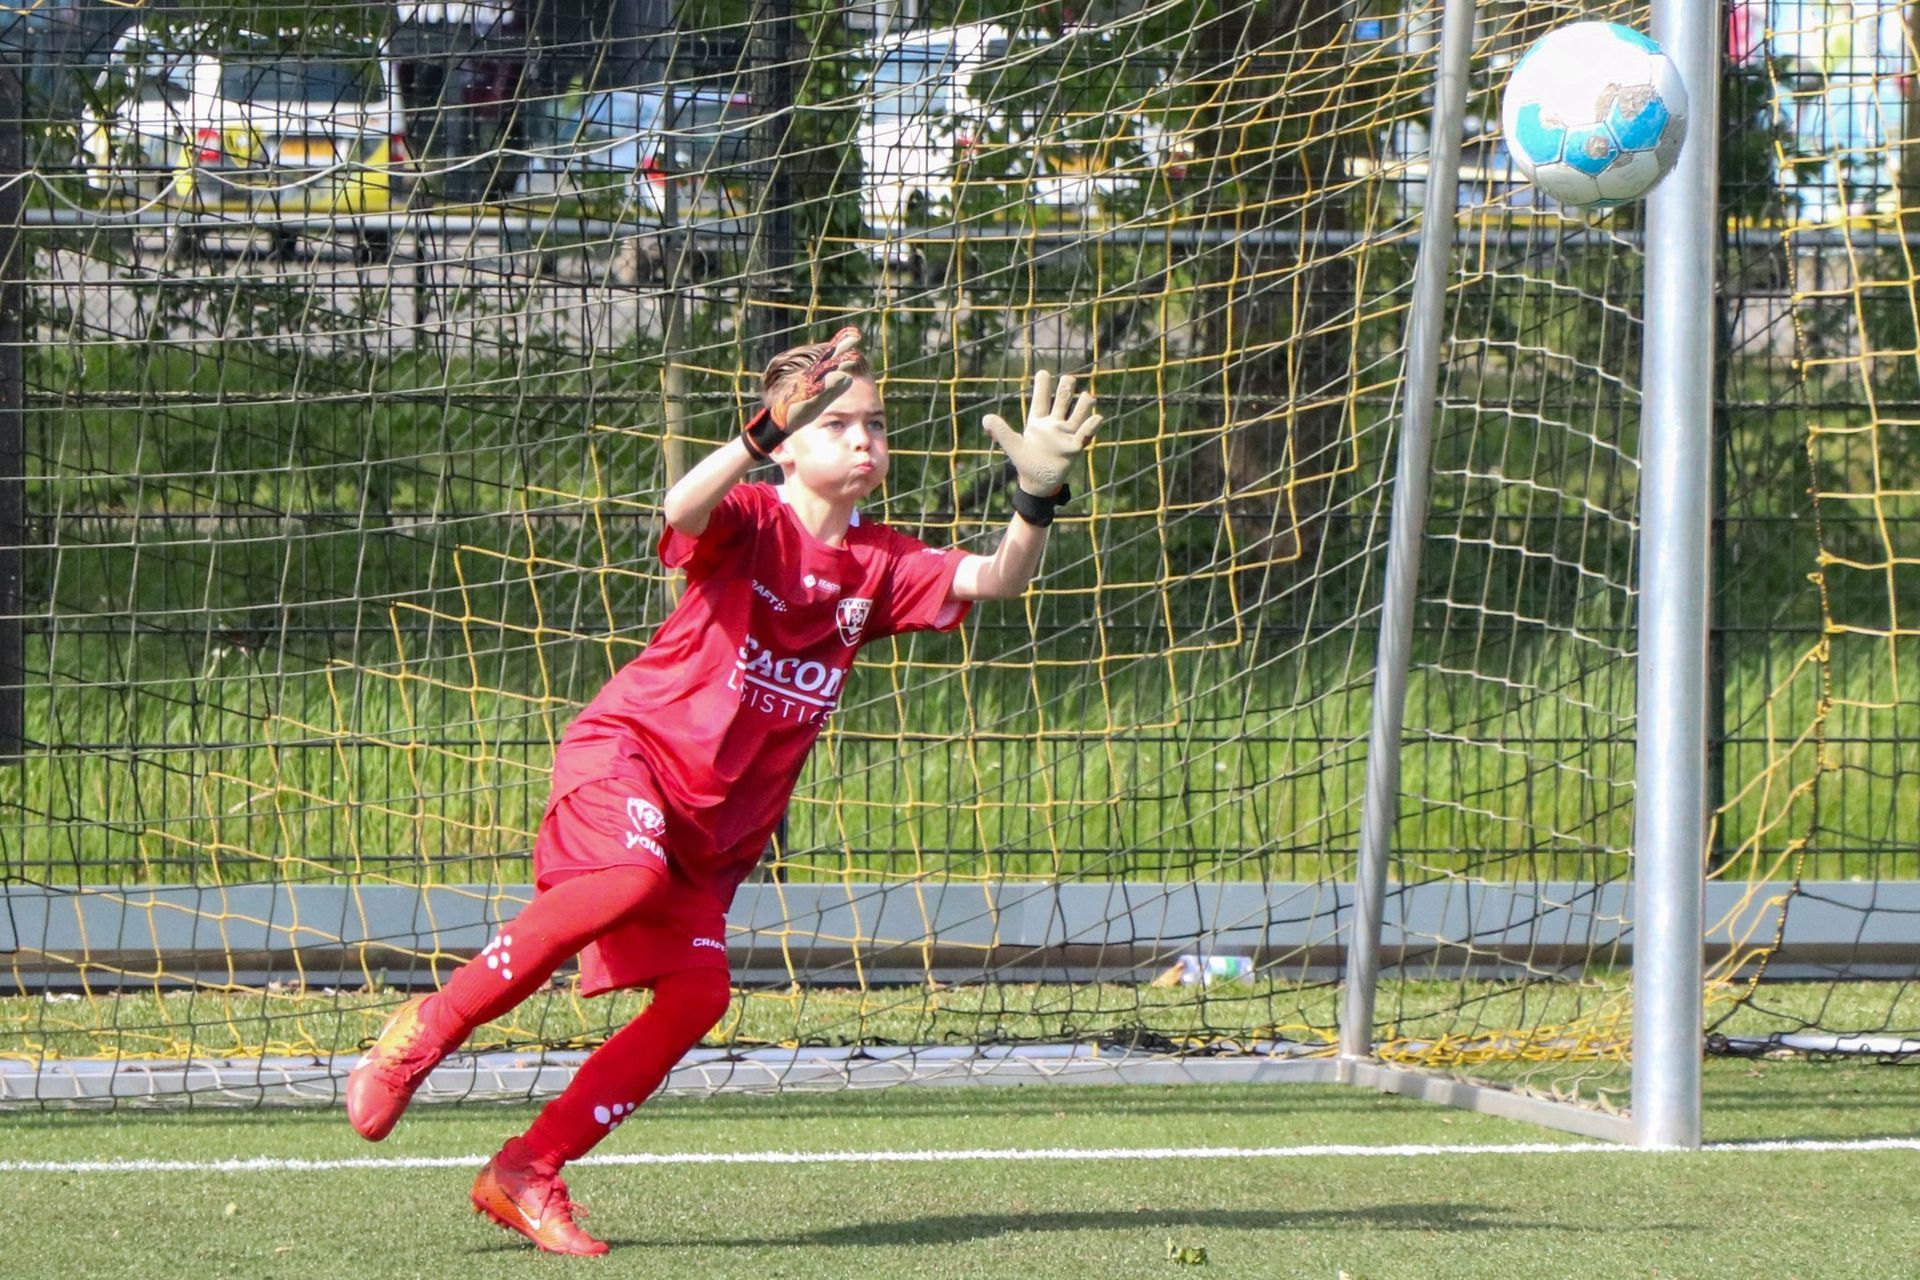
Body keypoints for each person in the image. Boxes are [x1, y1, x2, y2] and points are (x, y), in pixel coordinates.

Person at [344, 326, 1102, 1256]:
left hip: (714, 832)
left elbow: (999, 577)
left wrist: (1037, 493)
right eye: (836, 423)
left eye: (874, 424)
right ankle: (423, 1033)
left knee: (698, 995)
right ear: (787, 444)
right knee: (621, 880)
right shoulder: (751, 517)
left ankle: (527, 1170)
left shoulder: (881, 563)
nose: (863, 439)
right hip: (629, 757)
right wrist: (754, 433)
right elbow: (682, 505)